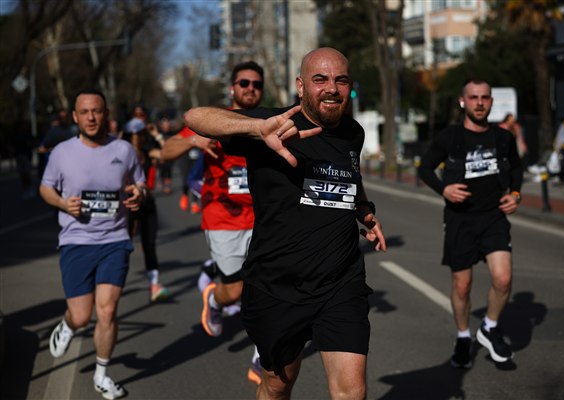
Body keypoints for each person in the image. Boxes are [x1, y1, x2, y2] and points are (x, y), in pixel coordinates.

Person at [184, 47, 386, 400]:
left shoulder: (353, 132)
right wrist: (255, 128)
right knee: (277, 385)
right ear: (301, 86)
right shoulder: (273, 124)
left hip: (341, 283)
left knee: (352, 392)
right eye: (320, 79)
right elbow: (195, 117)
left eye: (340, 80)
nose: (331, 88)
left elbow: (348, 176)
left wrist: (363, 209)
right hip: (277, 284)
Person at [161, 60, 265, 385]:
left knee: (268, 288)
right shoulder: (214, 121)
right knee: (234, 291)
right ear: (232, 88)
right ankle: (214, 298)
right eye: (244, 83)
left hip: (264, 219)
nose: (250, 89)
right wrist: (194, 141)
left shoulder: (268, 121)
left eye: (256, 84)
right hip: (223, 219)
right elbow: (166, 151)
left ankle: (263, 356)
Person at [39, 88, 145, 399]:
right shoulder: (62, 152)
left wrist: (139, 193)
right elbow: (45, 187)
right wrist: (62, 203)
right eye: (84, 112)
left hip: (115, 240)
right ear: (75, 116)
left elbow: (139, 182)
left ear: (106, 114)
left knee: (107, 311)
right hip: (76, 241)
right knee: (82, 315)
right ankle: (69, 324)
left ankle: (101, 375)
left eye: (96, 111)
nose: (91, 117)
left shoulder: (124, 150)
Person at [418, 78, 523, 369]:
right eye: (474, 97)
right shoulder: (450, 137)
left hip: (493, 216)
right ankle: (463, 336)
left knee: (503, 279)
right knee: (462, 286)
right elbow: (424, 168)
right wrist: (444, 190)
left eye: (485, 97)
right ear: (463, 102)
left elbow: (516, 168)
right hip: (460, 219)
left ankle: (489, 327)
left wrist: (515, 194)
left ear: (491, 102)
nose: (479, 103)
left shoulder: (503, 137)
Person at [124, 107, 169, 302]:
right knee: (123, 245)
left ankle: (154, 285)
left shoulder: (148, 151)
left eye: (141, 134)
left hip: (147, 203)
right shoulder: (120, 154)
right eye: (136, 134)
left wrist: (157, 134)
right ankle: (115, 281)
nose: (138, 138)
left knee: (149, 244)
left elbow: (167, 153)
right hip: (128, 204)